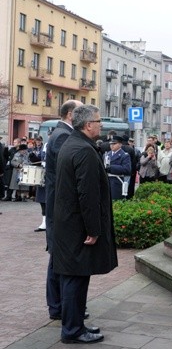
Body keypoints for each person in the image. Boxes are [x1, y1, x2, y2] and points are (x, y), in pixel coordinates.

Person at [52, 104, 117, 344]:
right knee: (75, 280)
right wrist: (93, 229)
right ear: (88, 125)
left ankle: (75, 324)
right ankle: (72, 330)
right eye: (99, 121)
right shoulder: (84, 150)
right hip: (77, 228)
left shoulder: (73, 144)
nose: (101, 125)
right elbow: (87, 195)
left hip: (68, 225)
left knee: (74, 278)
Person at [43, 100, 83, 322]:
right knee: (58, 259)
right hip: (60, 207)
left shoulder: (60, 134)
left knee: (57, 258)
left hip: (59, 205)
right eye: (80, 111)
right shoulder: (63, 136)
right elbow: (66, 175)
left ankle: (60, 306)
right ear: (70, 114)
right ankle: (58, 306)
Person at [104, 135, 132, 200]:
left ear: (120, 144)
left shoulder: (124, 155)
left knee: (115, 201)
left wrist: (110, 167)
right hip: (107, 181)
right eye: (111, 144)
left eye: (114, 144)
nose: (112, 145)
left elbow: (127, 169)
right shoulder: (106, 154)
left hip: (117, 181)